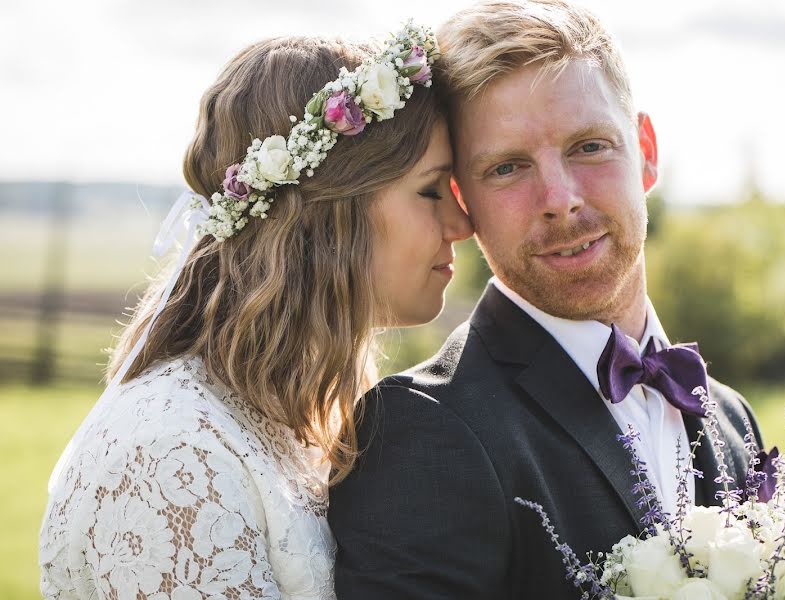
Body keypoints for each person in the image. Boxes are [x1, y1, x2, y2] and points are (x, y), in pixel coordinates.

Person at [328, 2, 764, 598]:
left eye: (589, 147)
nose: (559, 199)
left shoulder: (735, 420)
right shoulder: (422, 431)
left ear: (645, 149)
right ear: (463, 201)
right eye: (508, 167)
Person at [38, 24, 472, 600]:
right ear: (331, 214)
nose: (463, 225)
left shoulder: (307, 411)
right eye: (430, 190)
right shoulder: (169, 457)